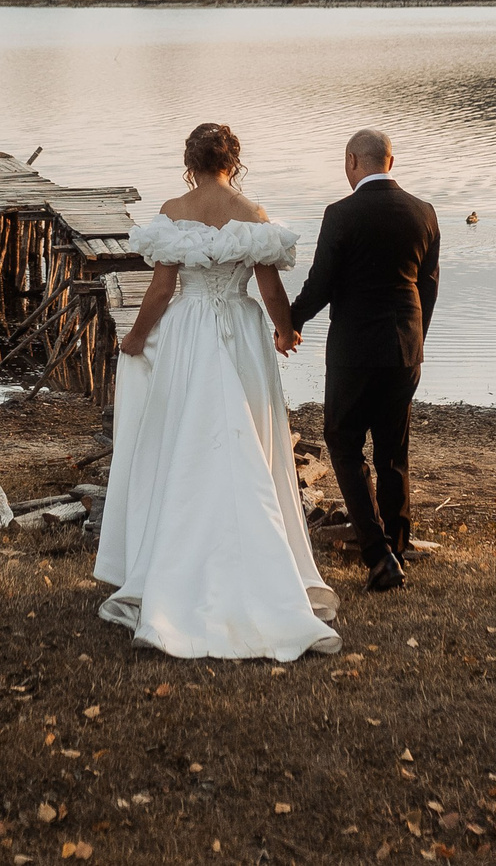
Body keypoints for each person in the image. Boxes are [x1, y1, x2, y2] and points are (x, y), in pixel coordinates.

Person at [92, 122, 339, 661]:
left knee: (186, 437)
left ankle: (173, 566)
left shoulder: (174, 210)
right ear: (234, 161)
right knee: (245, 438)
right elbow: (270, 289)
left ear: (191, 162)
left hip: (188, 330)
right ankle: (261, 566)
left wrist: (135, 338)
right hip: (242, 332)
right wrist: (285, 332)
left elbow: (162, 290)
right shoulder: (253, 215)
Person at [288, 128, 439, 594]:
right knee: (393, 450)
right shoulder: (424, 212)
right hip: (405, 346)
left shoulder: (341, 214)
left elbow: (321, 284)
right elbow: (428, 286)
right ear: (391, 162)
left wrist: (290, 322)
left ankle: (379, 555)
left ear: (352, 161)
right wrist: (414, 339)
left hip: (354, 350)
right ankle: (398, 544)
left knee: (345, 443)